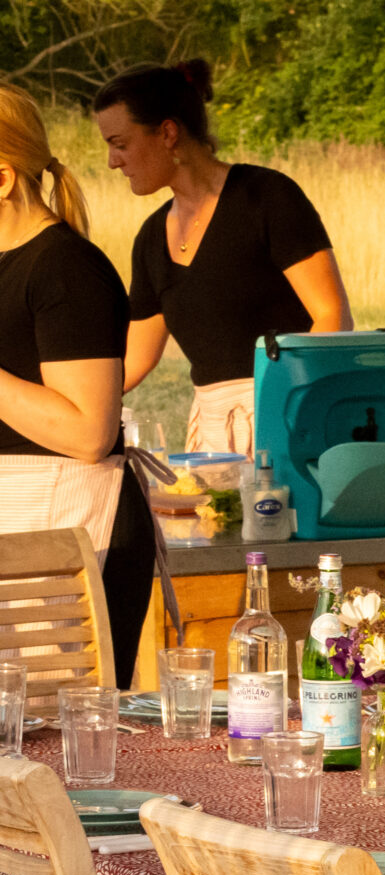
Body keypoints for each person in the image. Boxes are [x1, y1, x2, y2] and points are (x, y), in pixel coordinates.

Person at [92, 60, 351, 454]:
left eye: (120, 143)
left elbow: (331, 317)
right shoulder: (150, 238)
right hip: (210, 439)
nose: (113, 161)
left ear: (167, 132)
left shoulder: (266, 197)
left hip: (293, 421)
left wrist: (285, 417)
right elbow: (135, 358)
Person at [0, 86, 158, 683]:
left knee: (52, 736)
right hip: (16, 522)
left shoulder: (65, 268)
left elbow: (89, 431)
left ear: (3, 178)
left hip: (68, 523)